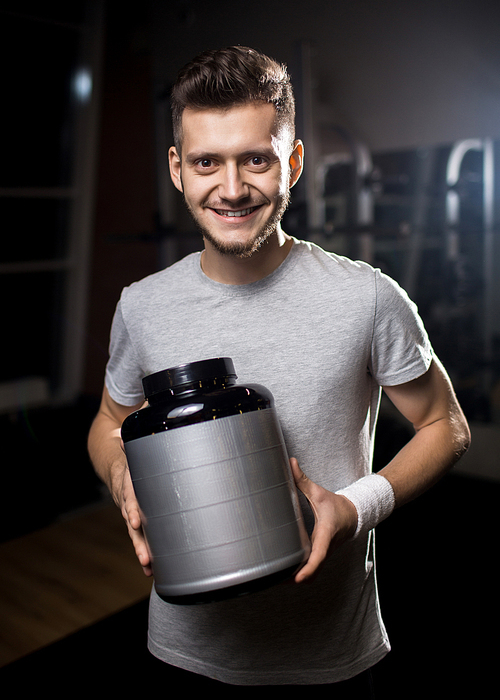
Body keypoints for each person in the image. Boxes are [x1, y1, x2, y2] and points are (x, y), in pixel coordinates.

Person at [87, 45, 470, 692]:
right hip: (183, 647)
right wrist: (122, 475)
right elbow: (108, 421)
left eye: (255, 160)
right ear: (178, 170)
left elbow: (446, 425)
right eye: (207, 161)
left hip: (330, 652)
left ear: (292, 162)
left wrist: (355, 508)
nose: (232, 189)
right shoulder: (142, 306)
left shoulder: (368, 297)